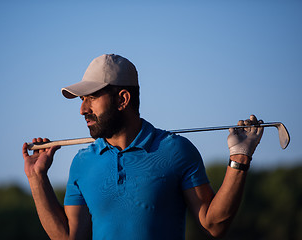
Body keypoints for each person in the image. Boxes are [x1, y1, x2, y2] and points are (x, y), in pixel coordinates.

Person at [22, 54, 264, 240]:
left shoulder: (177, 150)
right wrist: (37, 178)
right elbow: (69, 237)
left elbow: (214, 225)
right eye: (82, 100)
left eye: (92, 98)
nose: (83, 109)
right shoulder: (82, 162)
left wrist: (239, 157)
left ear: (122, 99)